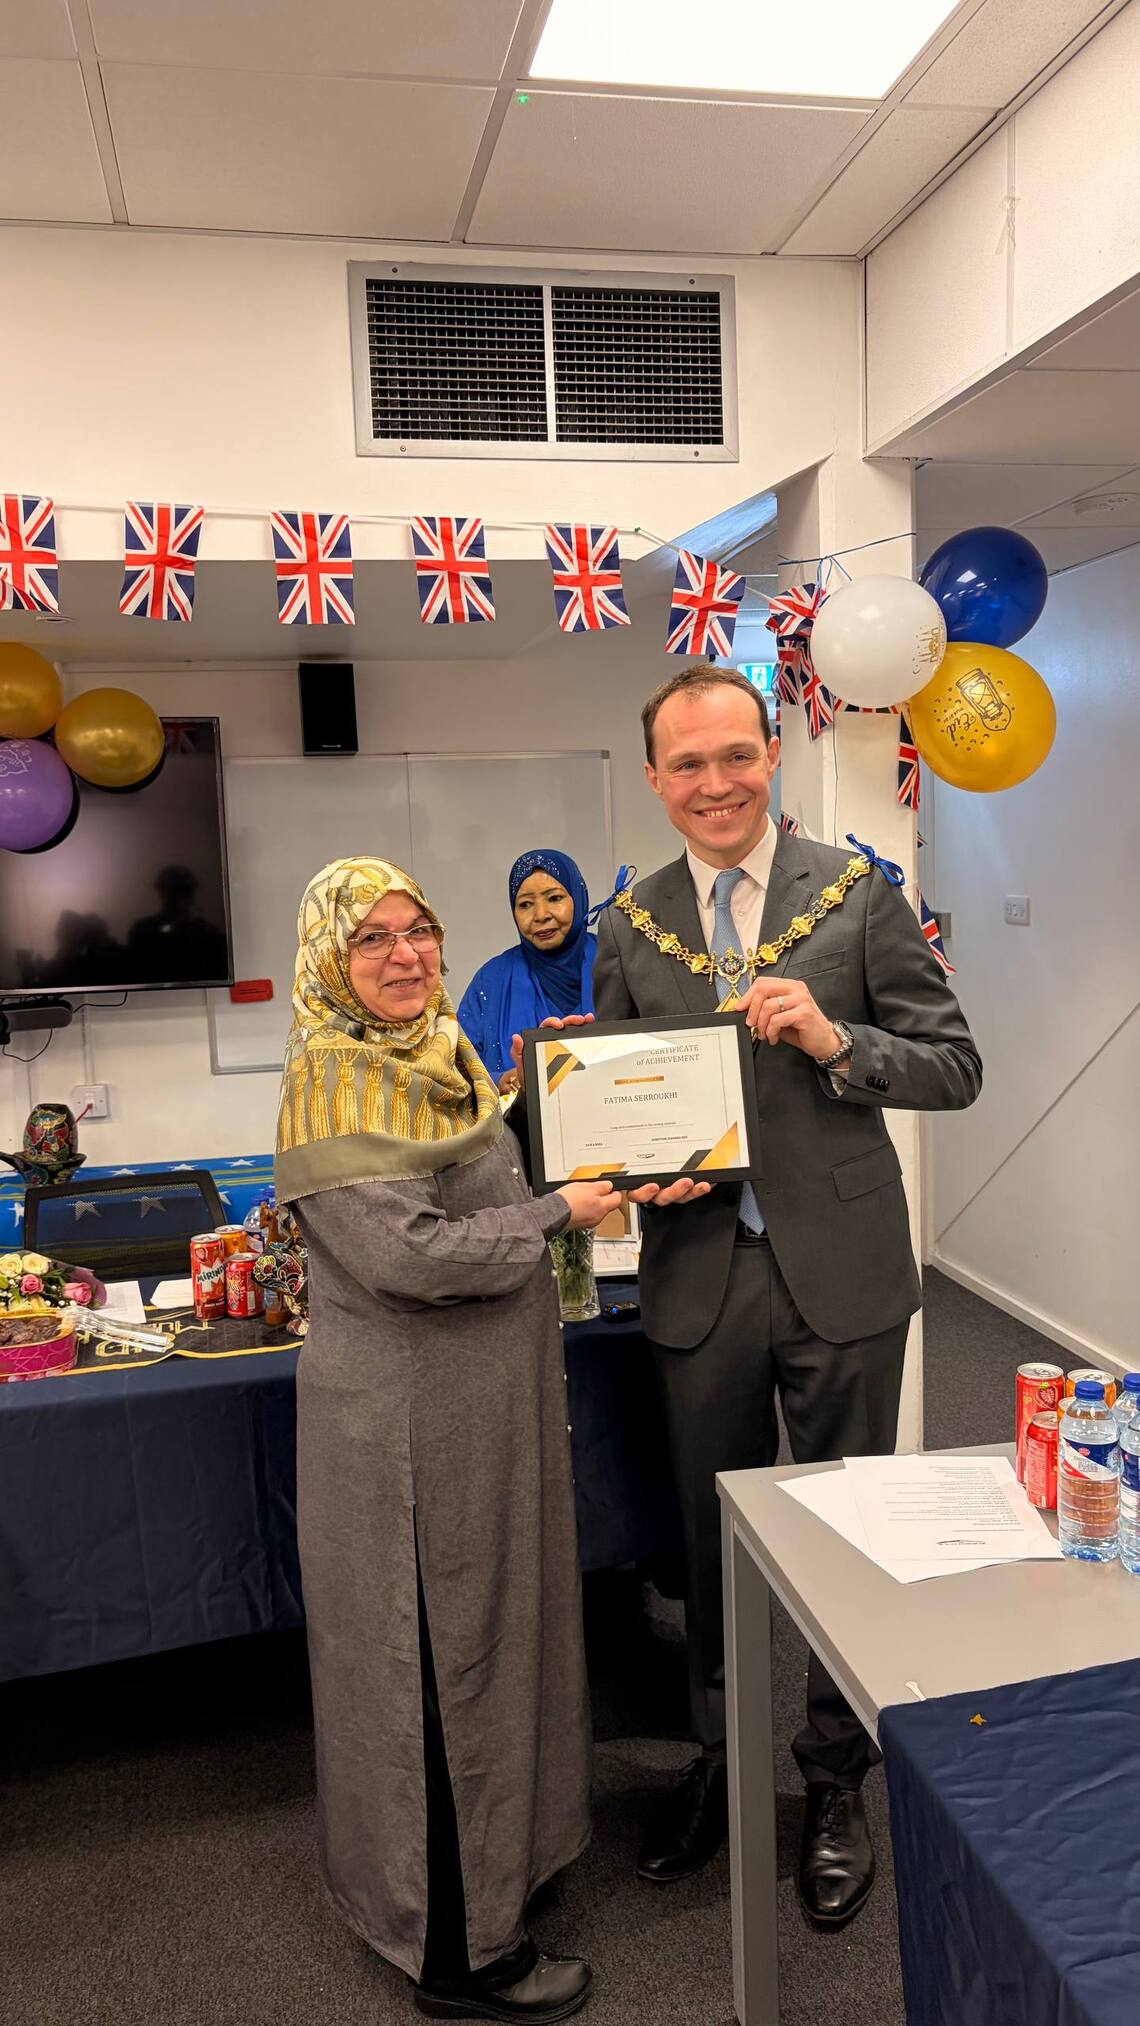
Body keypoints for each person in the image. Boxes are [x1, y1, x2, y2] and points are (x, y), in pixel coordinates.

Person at [592, 665, 982, 1930]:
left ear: (774, 756)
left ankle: (833, 1776)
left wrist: (835, 1042)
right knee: (707, 1547)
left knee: (846, 1530)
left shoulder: (859, 895)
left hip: (846, 1274)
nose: (715, 784)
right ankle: (720, 1760)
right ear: (655, 780)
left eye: (735, 757)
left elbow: (955, 1067)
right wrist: (627, 1169)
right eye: (687, 765)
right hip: (698, 1275)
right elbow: (605, 1101)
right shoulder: (628, 923)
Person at [275, 856, 619, 2023]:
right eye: (372, 938)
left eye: (419, 928)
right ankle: (457, 1957)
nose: (407, 954)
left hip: (475, 1417)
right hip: (408, 1442)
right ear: (330, 956)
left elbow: (461, 1182)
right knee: (430, 1667)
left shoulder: (434, 1061)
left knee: (487, 1644)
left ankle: (492, 1882)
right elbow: (410, 1254)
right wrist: (557, 1213)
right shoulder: (334, 1077)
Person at [458, 851, 598, 1091]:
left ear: (578, 897)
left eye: (554, 898)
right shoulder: (491, 981)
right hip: (518, 1126)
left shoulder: (615, 963)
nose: (540, 915)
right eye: (525, 904)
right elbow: (456, 1071)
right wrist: (502, 1081)